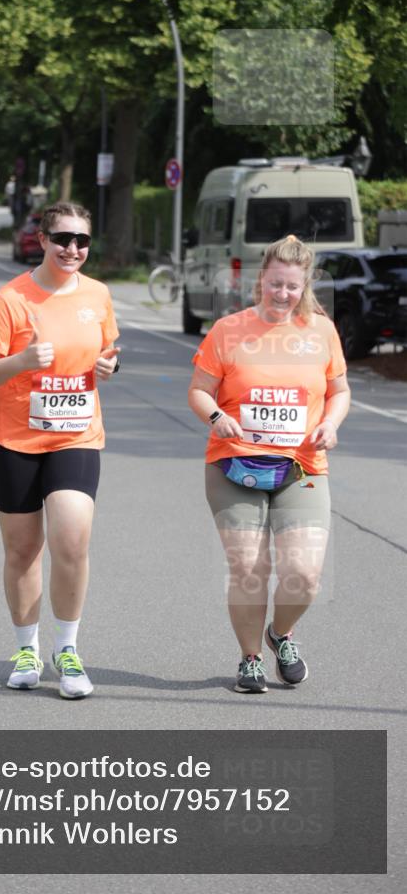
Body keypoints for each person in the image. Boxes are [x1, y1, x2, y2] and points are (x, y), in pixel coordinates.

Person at [0, 201, 120, 699]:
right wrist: (22, 360)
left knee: (72, 539)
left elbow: (107, 352)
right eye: (63, 239)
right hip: (13, 439)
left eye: (82, 240)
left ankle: (68, 649)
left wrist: (108, 369)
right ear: (43, 240)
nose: (73, 248)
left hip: (76, 434)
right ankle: (26, 647)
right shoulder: (12, 300)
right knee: (24, 549)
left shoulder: (97, 295)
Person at [188, 235, 350, 694]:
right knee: (248, 568)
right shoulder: (228, 330)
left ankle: (280, 635)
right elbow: (199, 391)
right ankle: (250, 658)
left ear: (305, 287)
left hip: (301, 467)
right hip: (234, 465)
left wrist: (332, 424)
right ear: (261, 279)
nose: (282, 294)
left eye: (292, 287)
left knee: (304, 573)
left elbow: (339, 391)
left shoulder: (321, 331)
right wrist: (217, 416)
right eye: (275, 284)